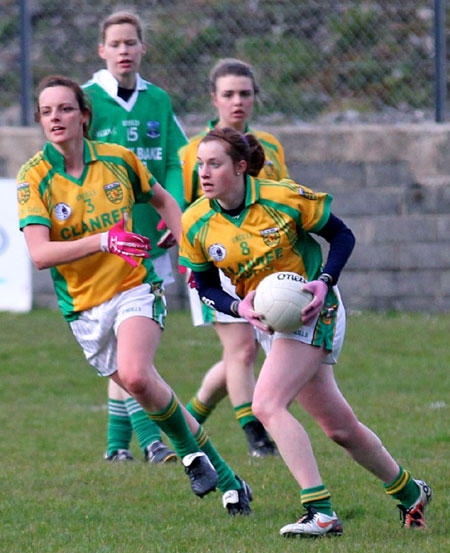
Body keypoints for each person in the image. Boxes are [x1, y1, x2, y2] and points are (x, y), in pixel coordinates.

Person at [17, 76, 252, 515]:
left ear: (84, 116)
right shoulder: (35, 177)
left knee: (137, 375)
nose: (56, 118)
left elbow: (164, 200)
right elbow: (39, 254)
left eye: (65, 109)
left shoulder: (118, 160)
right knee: (141, 387)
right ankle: (225, 475)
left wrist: (190, 254)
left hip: (134, 286)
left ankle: (187, 456)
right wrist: (102, 240)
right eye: (47, 111)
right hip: (83, 306)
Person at [179, 127, 432, 535]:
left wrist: (325, 280)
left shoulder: (282, 197)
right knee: (340, 428)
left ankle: (321, 512)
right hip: (272, 324)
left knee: (267, 404)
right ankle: (409, 493)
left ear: (241, 168)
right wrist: (237, 305)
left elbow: (341, 235)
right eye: (199, 165)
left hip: (315, 309)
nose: (204, 173)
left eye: (215, 164)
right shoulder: (196, 222)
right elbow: (203, 284)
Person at [82, 11, 188, 464]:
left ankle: (116, 446)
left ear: (143, 48)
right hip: (106, 243)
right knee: (127, 351)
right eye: (116, 43)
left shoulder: (158, 101)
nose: (124, 50)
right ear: (102, 51)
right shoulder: (84, 100)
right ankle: (150, 440)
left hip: (150, 239)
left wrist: (174, 214)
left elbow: (172, 162)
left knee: (128, 348)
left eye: (132, 42)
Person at [179, 58, 289, 457]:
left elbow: (286, 196)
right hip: (219, 261)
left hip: (268, 263)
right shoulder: (193, 151)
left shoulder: (270, 145)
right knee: (242, 349)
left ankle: (187, 421)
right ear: (214, 99)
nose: (237, 101)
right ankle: (256, 436)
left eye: (245, 93)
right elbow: (183, 206)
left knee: (240, 355)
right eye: (228, 94)